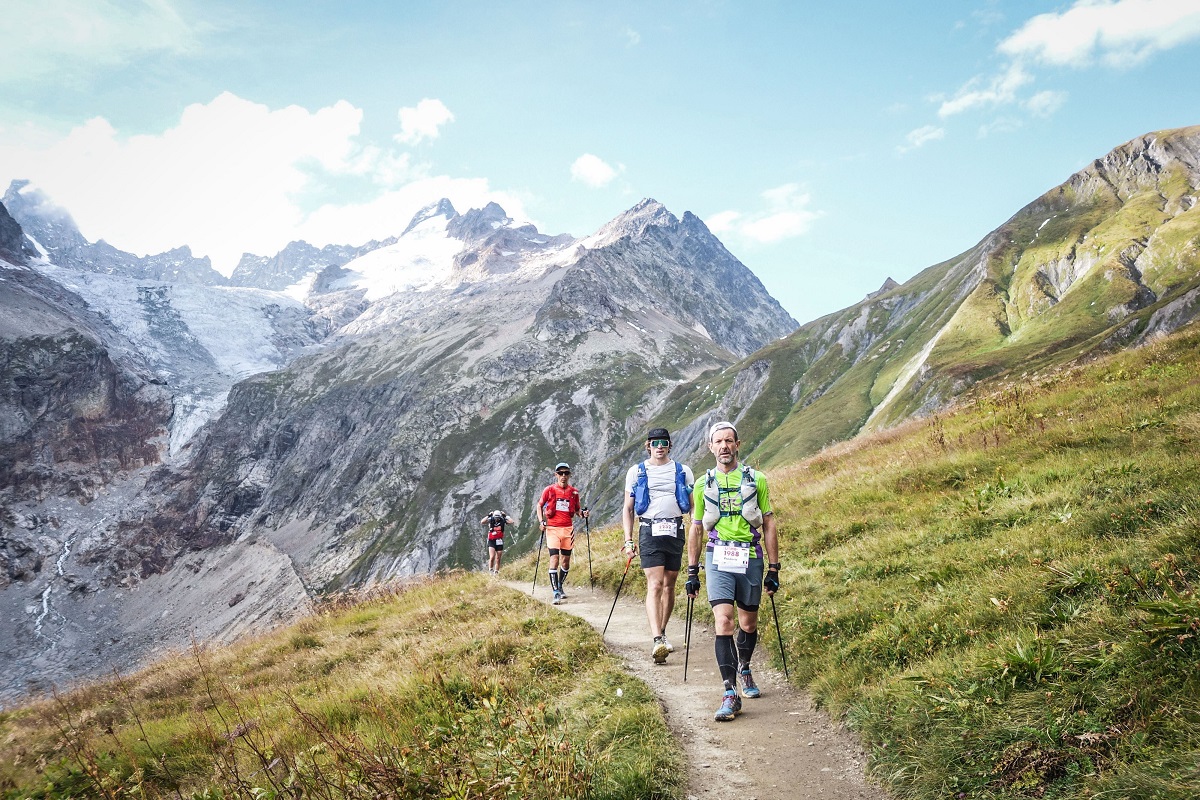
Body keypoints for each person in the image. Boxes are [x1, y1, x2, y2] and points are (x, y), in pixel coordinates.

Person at [685, 421, 781, 722]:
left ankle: (745, 667)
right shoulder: (702, 483)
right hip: (718, 557)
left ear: (737, 445)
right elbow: (697, 527)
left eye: (729, 441)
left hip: (750, 556)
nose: (724, 446)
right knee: (723, 621)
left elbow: (768, 523)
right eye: (719, 442)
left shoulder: (757, 479)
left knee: (747, 623)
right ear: (710, 447)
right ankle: (729, 692)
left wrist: (774, 567)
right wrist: (692, 570)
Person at [622, 427, 694, 664]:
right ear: (648, 445)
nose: (659, 446)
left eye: (664, 442)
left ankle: (662, 632)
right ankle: (656, 639)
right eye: (655, 443)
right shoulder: (636, 472)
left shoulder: (683, 471)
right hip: (649, 530)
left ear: (670, 445)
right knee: (655, 584)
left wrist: (696, 528)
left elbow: (693, 506)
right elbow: (628, 508)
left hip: (676, 530)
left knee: (670, 585)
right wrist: (628, 540)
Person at [537, 461, 589, 604]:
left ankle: (560, 585)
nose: (563, 476)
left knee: (565, 562)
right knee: (554, 559)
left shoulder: (574, 492)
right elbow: (539, 505)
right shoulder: (549, 490)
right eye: (560, 473)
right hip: (552, 529)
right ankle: (555, 593)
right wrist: (541, 521)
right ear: (556, 475)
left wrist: (583, 513)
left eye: (566, 473)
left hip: (568, 529)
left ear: (570, 475)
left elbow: (577, 510)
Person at [481, 509, 515, 575]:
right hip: (491, 540)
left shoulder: (503, 520)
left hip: (499, 540)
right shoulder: (491, 519)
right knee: (492, 557)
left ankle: (496, 572)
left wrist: (505, 516)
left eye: (498, 518)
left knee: (498, 558)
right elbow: (482, 522)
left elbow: (512, 521)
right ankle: (490, 570)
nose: (496, 519)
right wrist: (488, 515)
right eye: (495, 518)